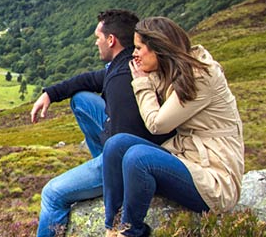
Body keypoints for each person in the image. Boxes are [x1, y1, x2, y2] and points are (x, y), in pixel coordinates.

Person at [30, 9, 175, 237]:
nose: (96, 43)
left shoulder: (120, 82)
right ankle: (100, 160)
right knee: (81, 100)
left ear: (111, 40)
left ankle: (104, 176)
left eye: (98, 38)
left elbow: (123, 143)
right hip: (134, 144)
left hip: (124, 158)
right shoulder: (123, 64)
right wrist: (50, 93)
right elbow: (89, 79)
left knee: (52, 194)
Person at [101, 17, 244, 236]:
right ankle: (112, 227)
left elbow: (158, 124)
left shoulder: (201, 76)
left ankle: (131, 231)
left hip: (214, 178)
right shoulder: (172, 70)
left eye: (139, 48)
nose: (134, 54)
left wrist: (141, 83)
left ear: (158, 49)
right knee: (116, 145)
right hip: (187, 160)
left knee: (138, 158)